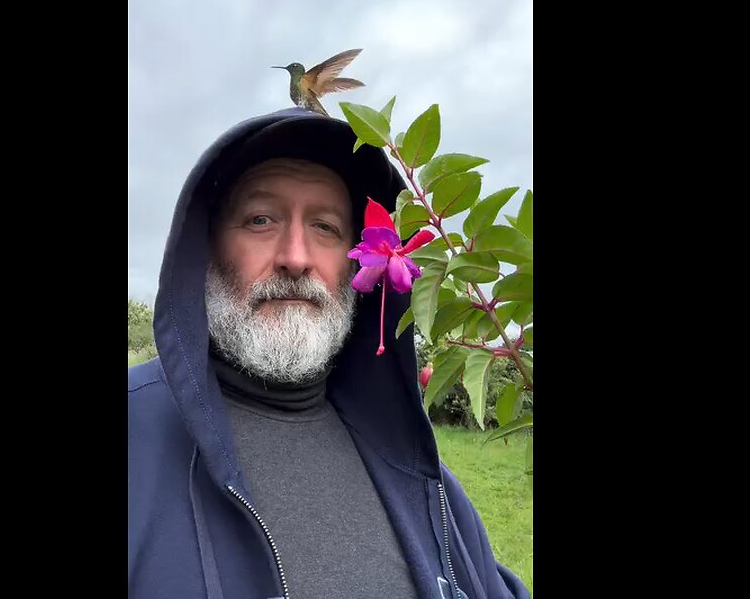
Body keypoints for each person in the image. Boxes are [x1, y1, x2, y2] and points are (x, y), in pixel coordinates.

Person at [128, 107, 531, 598]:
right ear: (206, 249)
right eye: (260, 219)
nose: (296, 258)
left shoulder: (424, 478)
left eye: (326, 227)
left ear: (356, 265)